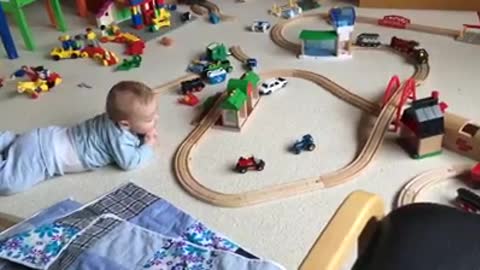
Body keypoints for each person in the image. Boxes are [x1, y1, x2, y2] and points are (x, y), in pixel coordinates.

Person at [0, 81, 158, 195]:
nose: (156, 118)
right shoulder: (118, 137)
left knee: (16, 146)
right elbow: (129, 162)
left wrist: (141, 129)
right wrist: (148, 146)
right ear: (125, 124)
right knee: (9, 183)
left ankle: (6, 140)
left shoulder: (111, 116)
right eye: (149, 119)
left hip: (43, 136)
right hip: (44, 157)